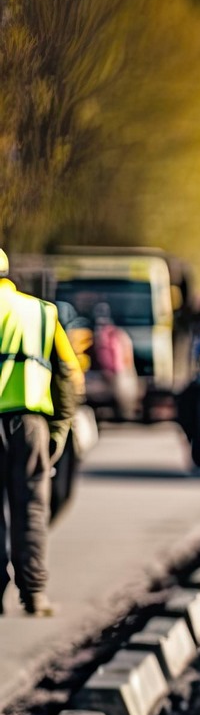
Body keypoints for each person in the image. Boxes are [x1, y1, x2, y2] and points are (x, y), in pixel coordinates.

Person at [0, 247, 84, 616]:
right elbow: (68, 374)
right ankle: (33, 595)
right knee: (32, 508)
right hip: (30, 424)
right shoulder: (41, 312)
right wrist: (60, 429)